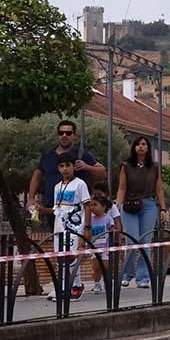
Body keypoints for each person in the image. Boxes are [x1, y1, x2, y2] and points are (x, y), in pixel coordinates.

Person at [27, 120, 106, 233]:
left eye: (68, 133)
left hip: (76, 210)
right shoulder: (48, 155)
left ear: (74, 135)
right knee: (58, 240)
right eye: (61, 133)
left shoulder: (82, 154)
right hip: (53, 206)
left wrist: (87, 167)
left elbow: (102, 173)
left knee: (76, 242)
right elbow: (37, 174)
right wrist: (31, 198)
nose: (64, 136)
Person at [115, 135, 169, 289]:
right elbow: (122, 188)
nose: (140, 146)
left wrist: (163, 208)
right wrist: (117, 206)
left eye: (144, 144)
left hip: (148, 205)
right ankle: (127, 274)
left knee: (145, 242)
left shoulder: (155, 166)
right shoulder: (125, 165)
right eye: (137, 144)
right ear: (133, 147)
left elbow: (159, 188)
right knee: (131, 240)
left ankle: (143, 277)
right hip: (130, 204)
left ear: (148, 147)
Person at [48, 153, 93, 302]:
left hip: (75, 226)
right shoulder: (57, 187)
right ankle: (61, 286)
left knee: (71, 257)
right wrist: (41, 209)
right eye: (61, 166)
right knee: (60, 257)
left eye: (68, 165)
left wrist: (87, 228)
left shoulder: (80, 184)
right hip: (59, 227)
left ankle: (76, 286)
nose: (65, 169)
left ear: (73, 166)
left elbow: (87, 206)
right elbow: (57, 208)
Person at [85, 192, 122, 294]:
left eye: (95, 205)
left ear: (103, 207)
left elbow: (112, 228)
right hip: (94, 247)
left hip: (105, 247)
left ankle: (108, 283)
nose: (92, 208)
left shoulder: (107, 218)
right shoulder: (89, 220)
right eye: (91, 205)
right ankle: (97, 284)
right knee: (95, 267)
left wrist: (115, 235)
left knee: (106, 267)